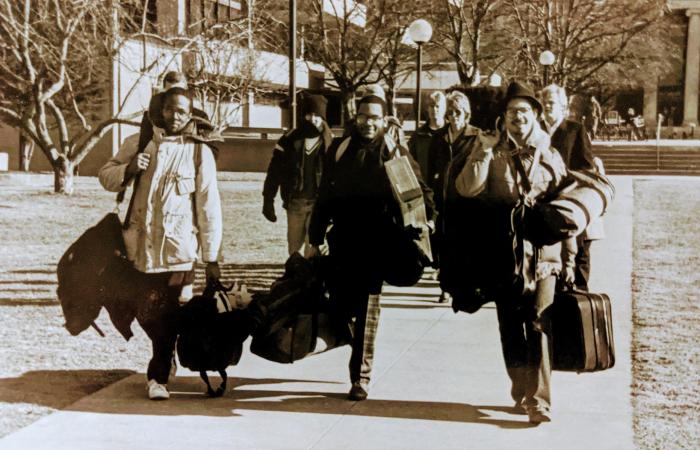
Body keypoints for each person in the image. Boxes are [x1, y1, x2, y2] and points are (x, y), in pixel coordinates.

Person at [307, 93, 435, 401]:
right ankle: (355, 349)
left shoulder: (392, 151)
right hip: (343, 241)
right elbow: (325, 195)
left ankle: (360, 377)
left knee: (367, 310)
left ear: (384, 119)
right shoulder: (340, 149)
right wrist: (315, 237)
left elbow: (416, 193)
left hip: (378, 243)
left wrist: (423, 222)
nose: (368, 122)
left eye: (375, 118)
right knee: (340, 306)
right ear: (356, 117)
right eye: (364, 116)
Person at [455, 81, 569, 424]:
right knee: (510, 325)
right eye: (511, 112)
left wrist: (571, 259)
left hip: (544, 255)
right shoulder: (491, 149)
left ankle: (539, 400)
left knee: (538, 322)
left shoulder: (550, 153)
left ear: (535, 115)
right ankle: (521, 387)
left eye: (523, 111)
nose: (517, 117)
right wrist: (483, 152)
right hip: (502, 252)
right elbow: (466, 188)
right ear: (502, 118)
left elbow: (566, 209)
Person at [98, 87, 223, 401]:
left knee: (164, 311)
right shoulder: (139, 143)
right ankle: (168, 353)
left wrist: (211, 256)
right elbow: (105, 175)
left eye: (182, 110)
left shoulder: (199, 152)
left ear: (190, 113)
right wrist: (129, 169)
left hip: (177, 251)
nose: (176, 116)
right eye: (170, 109)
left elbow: (209, 208)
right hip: (136, 249)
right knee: (140, 309)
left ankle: (157, 377)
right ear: (160, 110)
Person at [426, 91, 483, 304]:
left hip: (467, 200)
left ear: (466, 114)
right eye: (450, 112)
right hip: (444, 200)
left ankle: (465, 285)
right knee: (444, 245)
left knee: (465, 245)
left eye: (458, 112)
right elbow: (431, 169)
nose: (454, 116)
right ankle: (446, 287)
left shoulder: (476, 137)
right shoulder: (438, 138)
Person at [262, 94, 334, 257]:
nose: (313, 119)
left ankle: (311, 280)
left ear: (323, 118)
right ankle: (295, 278)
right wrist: (268, 199)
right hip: (295, 202)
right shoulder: (289, 140)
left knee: (313, 249)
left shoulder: (331, 143)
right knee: (294, 250)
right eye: (310, 114)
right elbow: (274, 171)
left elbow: (337, 178)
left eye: (318, 115)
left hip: (319, 204)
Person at [541, 84, 595, 290]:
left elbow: (587, 168)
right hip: (544, 205)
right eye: (544, 103)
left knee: (579, 254)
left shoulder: (575, 130)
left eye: (552, 103)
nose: (547, 106)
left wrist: (568, 184)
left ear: (563, 106)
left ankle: (580, 299)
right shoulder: (535, 131)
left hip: (570, 202)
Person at [138, 71, 214, 154]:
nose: (175, 96)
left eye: (179, 91)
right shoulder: (151, 117)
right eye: (170, 92)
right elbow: (143, 149)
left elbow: (211, 151)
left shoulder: (200, 116)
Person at [409, 91, 446, 184]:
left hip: (446, 188)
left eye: (437, 106)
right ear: (427, 108)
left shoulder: (450, 132)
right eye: (431, 106)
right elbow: (410, 161)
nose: (434, 110)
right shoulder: (418, 135)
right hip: (426, 185)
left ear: (444, 109)